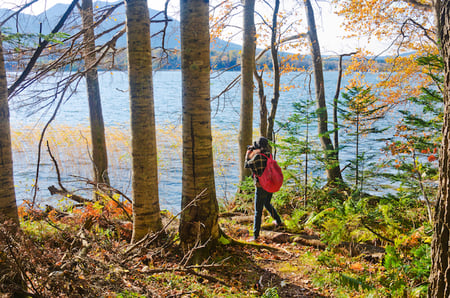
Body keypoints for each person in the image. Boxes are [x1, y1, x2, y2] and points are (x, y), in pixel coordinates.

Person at [245, 136, 283, 241]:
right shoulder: (269, 154)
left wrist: (248, 153)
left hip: (260, 186)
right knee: (267, 203)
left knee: (258, 211)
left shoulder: (257, 157)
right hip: (270, 184)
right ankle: (278, 221)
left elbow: (246, 165)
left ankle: (255, 236)